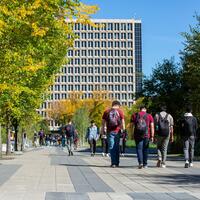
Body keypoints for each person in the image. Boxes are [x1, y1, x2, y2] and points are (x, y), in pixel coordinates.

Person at [102, 100, 125, 168]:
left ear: (112, 104)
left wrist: (103, 131)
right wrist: (123, 130)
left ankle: (113, 163)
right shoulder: (120, 111)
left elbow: (103, 123)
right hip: (117, 131)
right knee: (117, 146)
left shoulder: (106, 111)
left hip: (110, 131)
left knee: (111, 147)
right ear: (118, 105)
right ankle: (117, 162)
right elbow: (123, 122)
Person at [130, 105, 154, 169]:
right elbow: (152, 126)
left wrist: (132, 134)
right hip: (146, 134)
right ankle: (145, 164)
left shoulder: (134, 115)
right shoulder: (149, 116)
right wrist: (152, 136)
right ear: (145, 109)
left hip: (137, 134)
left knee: (139, 149)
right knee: (145, 149)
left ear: (140, 109)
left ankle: (140, 163)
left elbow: (131, 126)